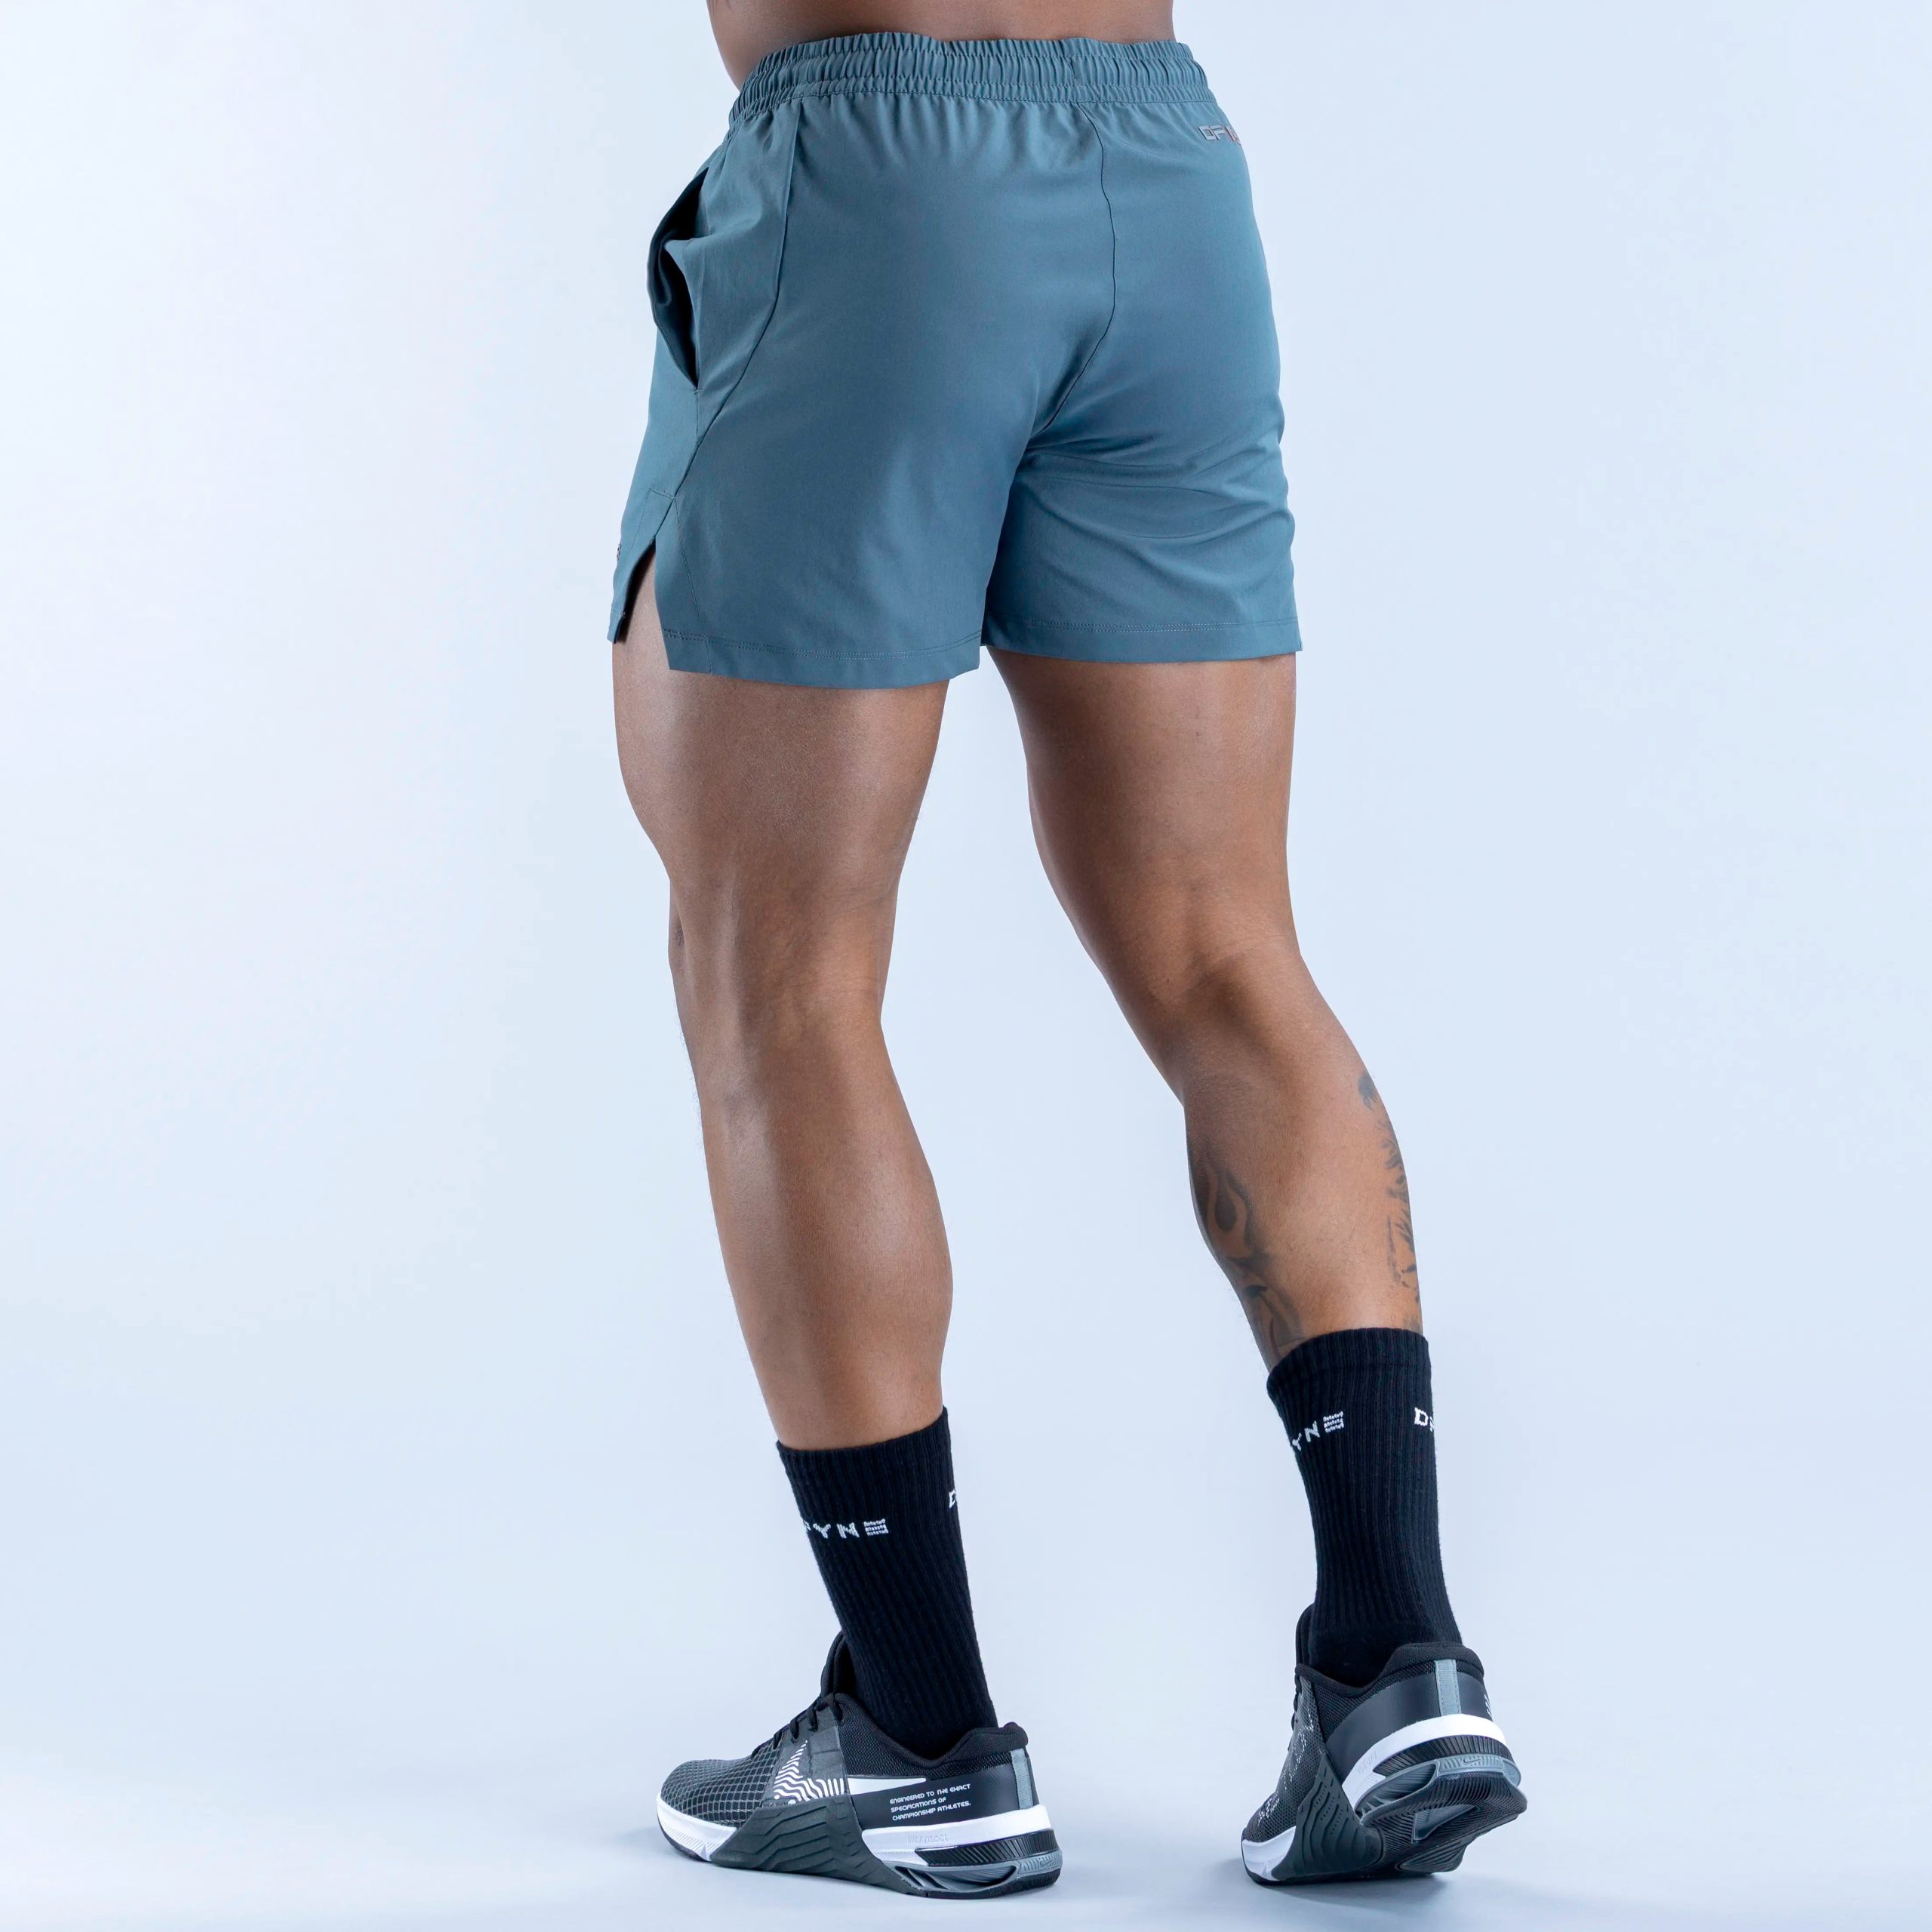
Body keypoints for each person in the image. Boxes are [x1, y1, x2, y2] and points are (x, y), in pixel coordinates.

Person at [611, 2, 1525, 1897]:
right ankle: (1393, 1658)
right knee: (1224, 948)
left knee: (776, 975)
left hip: (877, 175)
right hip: (1164, 177)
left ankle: (915, 1733)